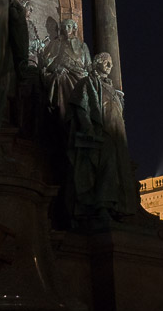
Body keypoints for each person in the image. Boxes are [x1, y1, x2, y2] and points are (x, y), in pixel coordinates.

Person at [67, 52, 137, 218]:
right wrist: (89, 129)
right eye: (106, 62)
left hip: (117, 135)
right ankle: (103, 206)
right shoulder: (88, 82)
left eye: (111, 63)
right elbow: (81, 107)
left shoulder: (111, 89)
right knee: (108, 164)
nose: (110, 66)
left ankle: (119, 208)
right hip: (101, 133)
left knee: (120, 169)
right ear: (96, 62)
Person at [41, 19, 91, 119]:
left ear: (74, 28)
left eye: (69, 26)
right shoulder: (57, 43)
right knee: (62, 80)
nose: (66, 29)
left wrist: (95, 74)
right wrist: (56, 68)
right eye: (64, 27)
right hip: (64, 74)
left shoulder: (82, 46)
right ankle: (67, 116)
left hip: (81, 74)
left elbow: (89, 64)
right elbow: (46, 61)